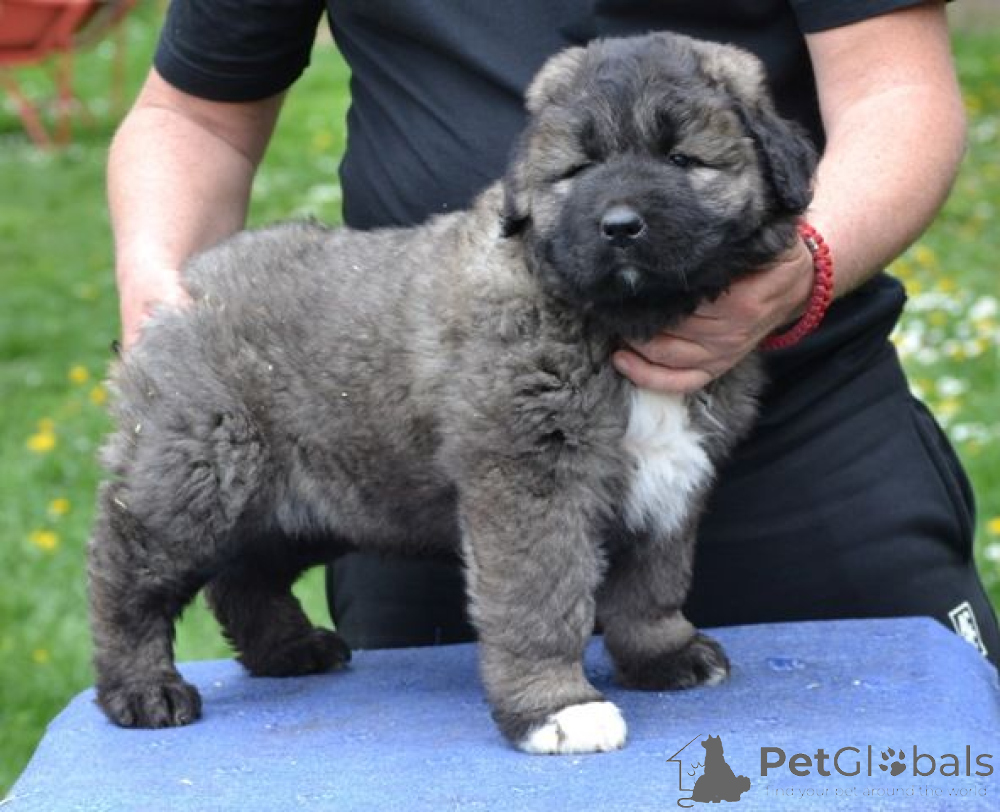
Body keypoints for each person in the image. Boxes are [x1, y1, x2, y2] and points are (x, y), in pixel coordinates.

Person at [108, 0, 1000, 666]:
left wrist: (807, 263)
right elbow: (193, 112)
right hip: (424, 467)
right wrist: (161, 290)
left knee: (917, 747)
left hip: (803, 442)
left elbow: (898, 88)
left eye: (680, 161)